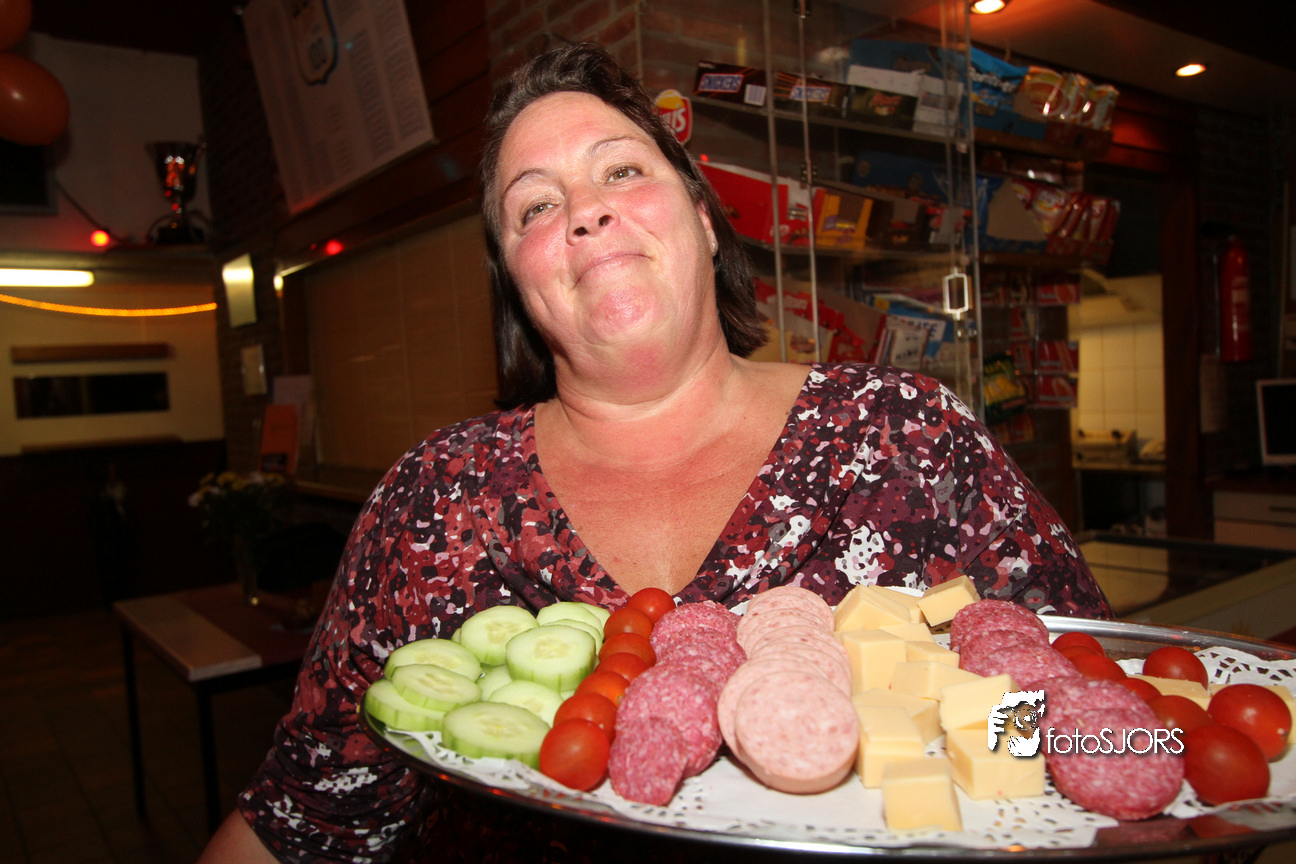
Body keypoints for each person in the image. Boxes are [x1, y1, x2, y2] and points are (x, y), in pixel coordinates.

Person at [199, 42, 1110, 863]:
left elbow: (1094, 717)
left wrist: (989, 763)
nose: (586, 214)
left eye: (622, 170)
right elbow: (308, 815)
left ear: (705, 220)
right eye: (536, 206)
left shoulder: (912, 435)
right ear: (516, 281)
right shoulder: (434, 497)